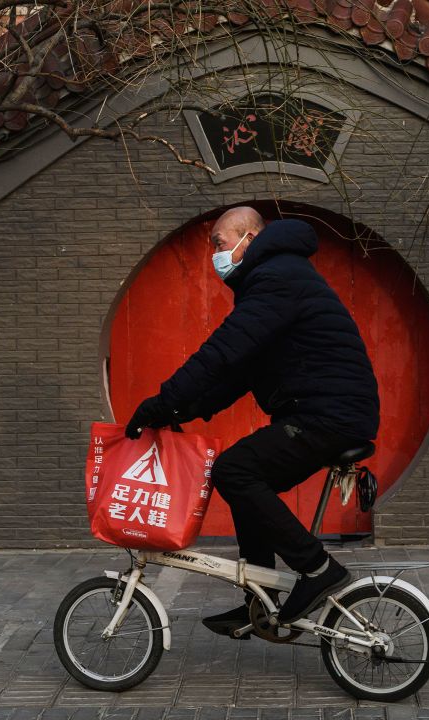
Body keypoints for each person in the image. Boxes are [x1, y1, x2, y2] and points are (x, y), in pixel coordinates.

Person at [124, 205, 380, 633]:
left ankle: (318, 570)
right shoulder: (274, 278)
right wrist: (175, 410)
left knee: (235, 471)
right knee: (246, 482)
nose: (215, 256)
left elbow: (223, 352)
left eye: (219, 244)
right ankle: (259, 600)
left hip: (330, 414)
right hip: (324, 411)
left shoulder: (277, 278)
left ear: (248, 238)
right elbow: (239, 374)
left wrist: (160, 400)